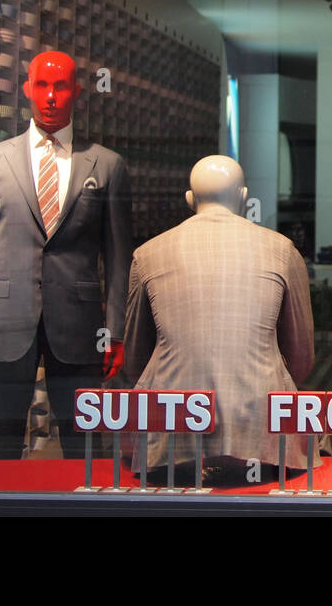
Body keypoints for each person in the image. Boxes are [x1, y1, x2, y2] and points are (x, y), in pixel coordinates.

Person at [0, 50, 132, 459]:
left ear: (76, 92)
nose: (51, 96)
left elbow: (119, 258)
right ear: (28, 89)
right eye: (43, 85)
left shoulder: (106, 165)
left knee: (85, 449)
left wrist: (116, 330)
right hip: (4, 321)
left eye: (60, 86)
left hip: (80, 326)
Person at [122, 155, 316, 483]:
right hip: (263, 429)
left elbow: (135, 361)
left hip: (172, 428)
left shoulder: (148, 254)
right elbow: (301, 358)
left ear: (189, 199)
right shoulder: (282, 250)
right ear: (243, 197)